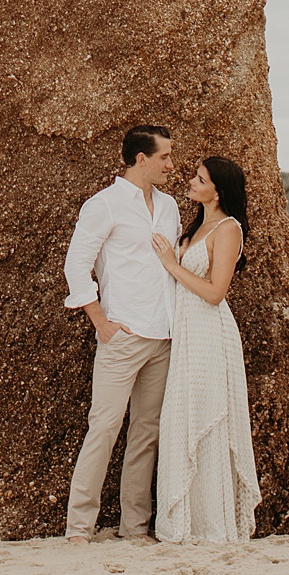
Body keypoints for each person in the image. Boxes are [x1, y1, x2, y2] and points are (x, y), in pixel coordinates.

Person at [61, 125, 181, 544]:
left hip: (164, 335)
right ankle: (79, 527)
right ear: (140, 159)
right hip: (122, 335)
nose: (171, 163)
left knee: (146, 432)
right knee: (104, 427)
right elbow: (76, 265)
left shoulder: (169, 208)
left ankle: (135, 528)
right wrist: (101, 322)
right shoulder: (104, 204)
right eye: (164, 156)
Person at [149, 155, 262, 543]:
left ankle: (211, 527)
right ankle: (184, 523)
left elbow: (215, 293)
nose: (192, 182)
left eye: (200, 179)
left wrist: (171, 264)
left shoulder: (228, 229)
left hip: (209, 336)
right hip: (185, 334)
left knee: (206, 422)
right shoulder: (197, 225)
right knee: (180, 419)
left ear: (218, 191)